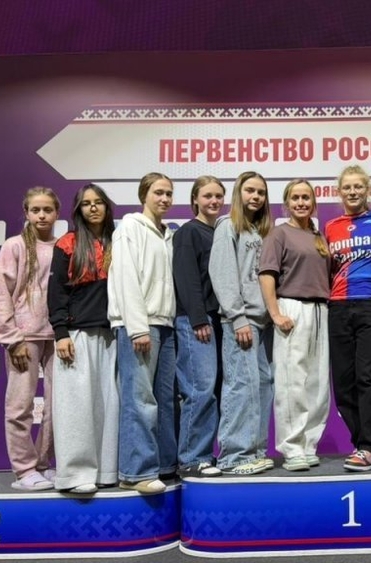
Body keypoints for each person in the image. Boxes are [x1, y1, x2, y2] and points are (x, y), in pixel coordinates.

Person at [48, 184, 119, 494]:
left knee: (109, 406)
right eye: (86, 203)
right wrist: (60, 333)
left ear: (107, 207)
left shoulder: (119, 241)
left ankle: (106, 471)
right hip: (76, 335)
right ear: (78, 210)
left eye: (98, 202)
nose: (93, 208)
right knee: (76, 408)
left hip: (112, 334)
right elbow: (56, 292)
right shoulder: (68, 243)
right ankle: (75, 475)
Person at [109, 172, 176, 495]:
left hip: (165, 323)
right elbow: (126, 278)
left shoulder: (168, 234)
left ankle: (163, 466)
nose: (164, 198)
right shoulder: (129, 228)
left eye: (168, 193)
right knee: (139, 400)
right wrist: (137, 328)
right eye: (158, 192)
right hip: (139, 325)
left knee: (164, 400)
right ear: (143, 195)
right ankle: (136, 472)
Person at [0, 186, 60, 491]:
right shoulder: (14, 246)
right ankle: (24, 469)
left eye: (47, 210)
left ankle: (44, 464)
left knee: (58, 406)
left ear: (57, 213)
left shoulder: (63, 246)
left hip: (58, 336)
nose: (42, 215)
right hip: (23, 336)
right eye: (36, 210)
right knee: (20, 406)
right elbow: (0, 293)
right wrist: (11, 338)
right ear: (26, 213)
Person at [258, 179, 331, 472]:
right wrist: (275, 313)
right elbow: (267, 274)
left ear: (313, 203)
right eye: (295, 198)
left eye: (306, 198)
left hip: (321, 309)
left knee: (317, 383)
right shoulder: (279, 234)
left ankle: (309, 444)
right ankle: (291, 447)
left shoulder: (318, 236)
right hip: (292, 307)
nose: (301, 202)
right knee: (292, 381)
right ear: (286, 203)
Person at [325, 165, 371, 472]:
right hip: (338, 305)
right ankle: (361, 443)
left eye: (358, 187)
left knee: (369, 378)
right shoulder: (330, 227)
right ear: (339, 192)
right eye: (347, 187)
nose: (352, 192)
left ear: (368, 190)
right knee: (343, 383)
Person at [210, 171, 274, 475]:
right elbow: (222, 273)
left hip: (262, 322)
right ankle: (234, 456)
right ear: (239, 193)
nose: (256, 196)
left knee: (262, 386)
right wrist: (237, 317)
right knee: (240, 386)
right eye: (250, 190)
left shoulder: (262, 231)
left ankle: (255, 451)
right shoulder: (228, 226)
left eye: (261, 192)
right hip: (241, 320)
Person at [172, 175, 226, 478]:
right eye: (207, 196)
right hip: (196, 321)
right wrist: (197, 318)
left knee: (212, 390)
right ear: (195, 199)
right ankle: (192, 458)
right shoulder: (188, 232)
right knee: (198, 390)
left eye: (218, 196)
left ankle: (204, 454)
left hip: (216, 319)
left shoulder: (220, 231)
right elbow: (186, 277)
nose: (214, 201)